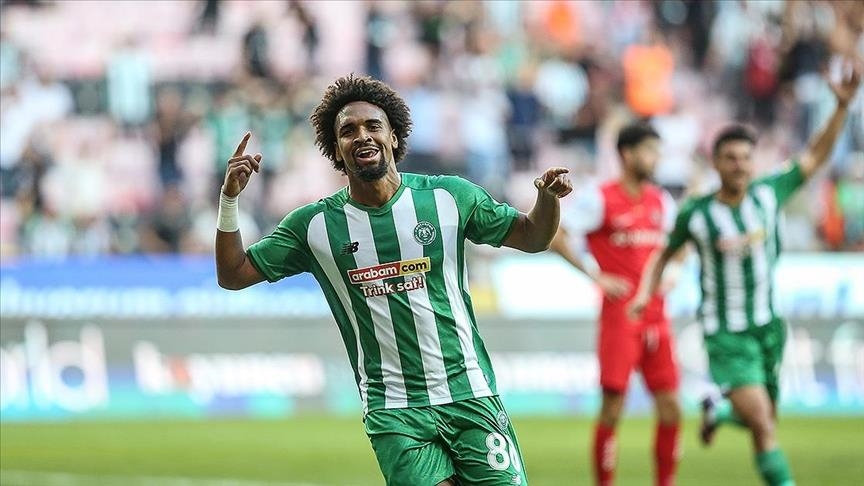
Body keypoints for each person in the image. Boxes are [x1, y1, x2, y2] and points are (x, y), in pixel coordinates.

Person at [215, 74, 573, 486]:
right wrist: (230, 198)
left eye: (373, 126)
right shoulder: (313, 226)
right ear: (336, 149)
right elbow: (233, 274)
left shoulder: (448, 197)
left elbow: (533, 237)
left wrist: (547, 199)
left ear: (394, 137)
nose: (362, 136)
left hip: (470, 393)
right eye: (348, 131)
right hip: (394, 410)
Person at [630, 62, 861, 486]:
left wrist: (841, 108)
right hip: (726, 333)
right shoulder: (697, 213)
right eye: (730, 158)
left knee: (764, 419)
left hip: (769, 327)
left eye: (745, 158)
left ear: (754, 162)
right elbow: (664, 254)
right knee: (763, 423)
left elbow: (815, 155)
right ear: (715, 163)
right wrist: (646, 292)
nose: (738, 165)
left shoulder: (769, 194)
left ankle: (719, 411)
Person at [550, 123, 681, 486]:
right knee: (613, 406)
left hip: (657, 316)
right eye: (649, 151)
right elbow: (557, 234)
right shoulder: (600, 197)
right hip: (620, 318)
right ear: (627, 154)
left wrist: (674, 270)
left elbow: (678, 244)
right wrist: (595, 275)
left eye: (658, 152)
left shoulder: (661, 201)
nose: (655, 159)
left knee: (671, 406)